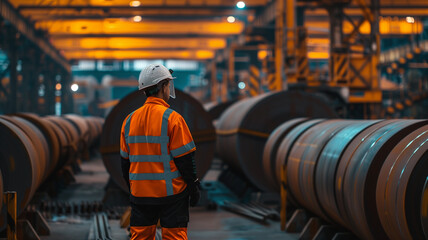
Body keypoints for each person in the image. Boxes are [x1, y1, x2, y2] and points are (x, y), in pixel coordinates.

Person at [120, 64, 200, 240]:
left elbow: (125, 163)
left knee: (140, 237)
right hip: (172, 196)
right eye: (168, 85)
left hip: (140, 196)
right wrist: (193, 187)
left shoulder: (129, 120)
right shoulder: (173, 118)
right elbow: (185, 160)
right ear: (163, 86)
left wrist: (134, 190)